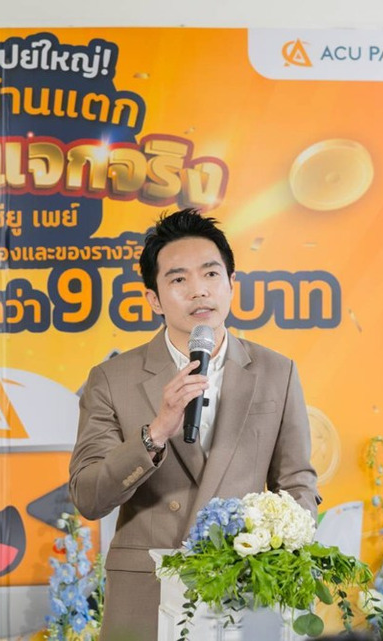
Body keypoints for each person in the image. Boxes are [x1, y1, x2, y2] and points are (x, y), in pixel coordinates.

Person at [69, 209, 319, 640]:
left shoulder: (277, 372)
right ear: (154, 299)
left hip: (245, 585)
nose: (199, 290)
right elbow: (88, 497)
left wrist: (280, 550)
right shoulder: (111, 378)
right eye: (179, 279)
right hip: (147, 592)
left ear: (231, 284)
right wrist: (156, 432)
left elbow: (297, 482)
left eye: (211, 274)